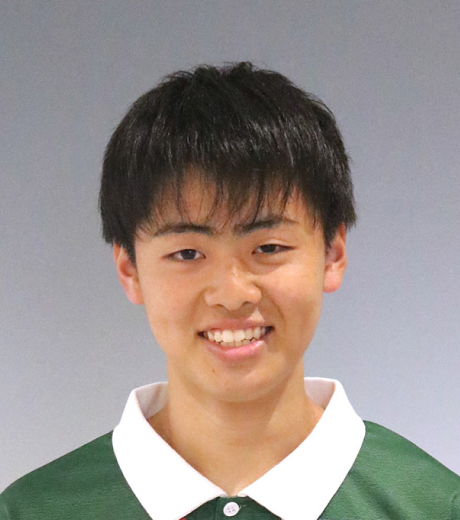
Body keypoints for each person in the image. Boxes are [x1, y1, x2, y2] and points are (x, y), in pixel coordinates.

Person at [1, 62, 459, 520]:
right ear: (129, 269)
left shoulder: (434, 506)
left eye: (269, 247)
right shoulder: (33, 511)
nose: (232, 293)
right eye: (187, 253)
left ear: (333, 254)